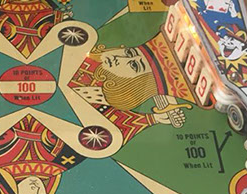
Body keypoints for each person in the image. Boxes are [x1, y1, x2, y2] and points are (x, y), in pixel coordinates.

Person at [68, 32, 199, 143]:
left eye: (134, 65)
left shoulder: (114, 101)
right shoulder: (82, 55)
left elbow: (113, 132)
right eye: (129, 52)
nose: (119, 58)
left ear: (135, 83)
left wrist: (154, 118)